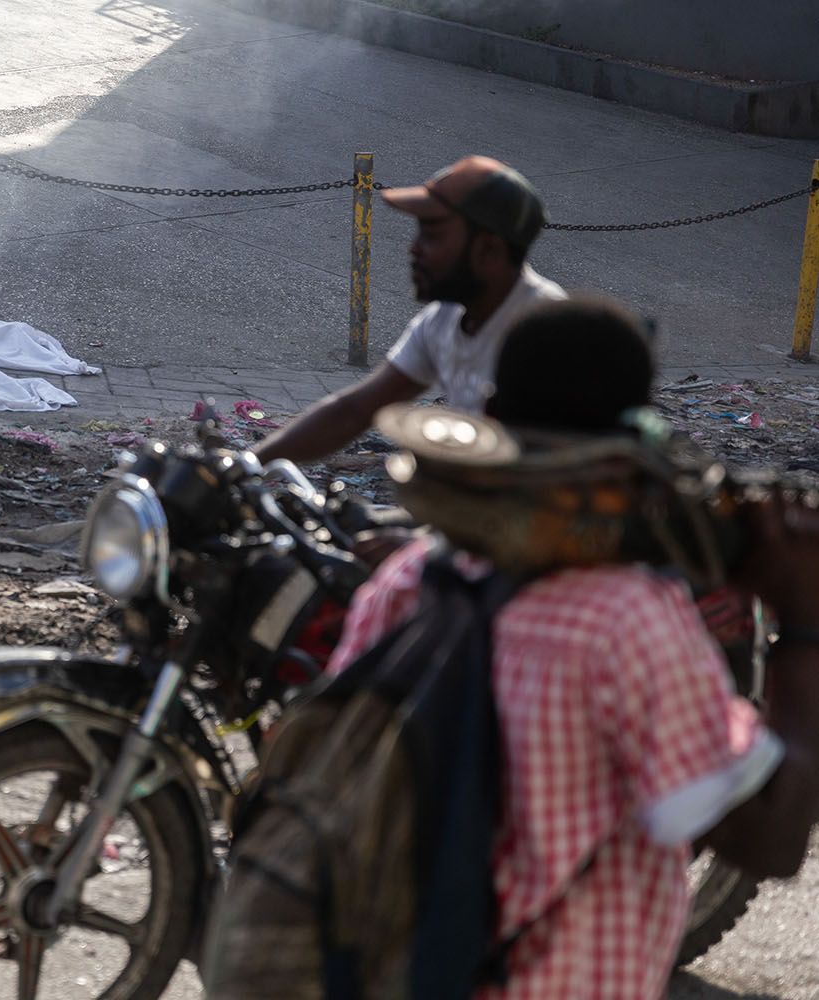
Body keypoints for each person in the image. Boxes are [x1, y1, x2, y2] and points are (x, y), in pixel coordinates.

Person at [327, 297, 819, 998]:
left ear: (490, 412)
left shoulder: (409, 580)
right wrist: (803, 623)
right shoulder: (627, 623)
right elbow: (769, 839)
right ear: (636, 438)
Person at [255, 155, 566, 465]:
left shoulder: (551, 333)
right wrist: (245, 466)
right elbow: (353, 411)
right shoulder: (446, 316)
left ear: (490, 248)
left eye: (432, 234)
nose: (414, 248)